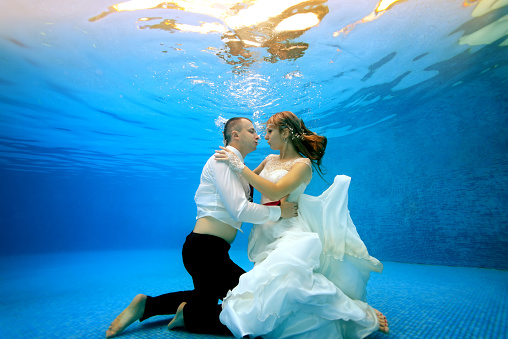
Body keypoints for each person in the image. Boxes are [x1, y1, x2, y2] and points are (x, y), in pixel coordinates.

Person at [105, 117, 298, 338]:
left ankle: (148, 306)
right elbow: (239, 210)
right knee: (251, 302)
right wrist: (279, 212)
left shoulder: (237, 168)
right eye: (252, 131)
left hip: (210, 251)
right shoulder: (222, 161)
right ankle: (188, 316)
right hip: (205, 252)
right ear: (235, 135)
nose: (258, 136)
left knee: (208, 296)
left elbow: (247, 198)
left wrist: (272, 189)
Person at [215, 111, 389, 338]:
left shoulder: (303, 165)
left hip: (291, 231)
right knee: (279, 290)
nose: (264, 136)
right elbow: (247, 185)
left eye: (269, 131)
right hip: (266, 233)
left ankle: (359, 313)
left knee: (296, 280)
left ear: (285, 132)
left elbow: (274, 190)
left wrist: (239, 165)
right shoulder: (269, 160)